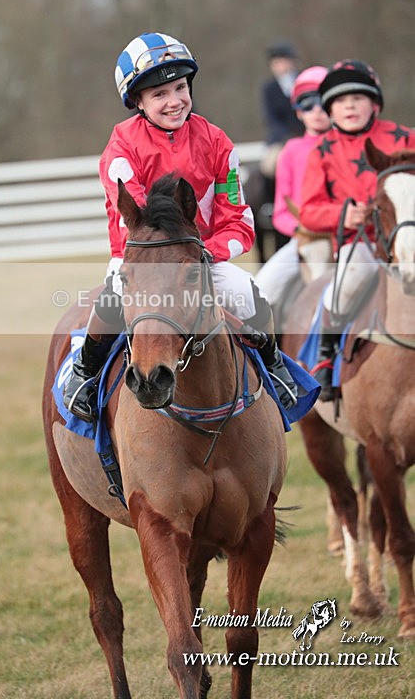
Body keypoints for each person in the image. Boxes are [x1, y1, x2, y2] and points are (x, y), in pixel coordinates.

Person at [63, 31, 297, 422]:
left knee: (249, 293)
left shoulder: (218, 143)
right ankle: (84, 374)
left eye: (179, 87)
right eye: (159, 94)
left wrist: (205, 253)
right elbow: (134, 217)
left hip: (200, 257)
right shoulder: (121, 146)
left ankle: (274, 366)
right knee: (112, 298)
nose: (174, 101)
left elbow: (238, 220)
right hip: (141, 259)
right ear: (137, 101)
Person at [299, 59, 415, 400]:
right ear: (330, 111)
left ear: (375, 103)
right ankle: (325, 360)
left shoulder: (405, 137)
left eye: (358, 98)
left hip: (408, 235)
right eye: (340, 100)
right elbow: (308, 210)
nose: (350, 105)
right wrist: (343, 214)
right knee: (344, 287)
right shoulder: (321, 150)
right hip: (361, 242)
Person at [255, 66, 331, 306]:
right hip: (303, 239)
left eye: (323, 103)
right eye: (308, 104)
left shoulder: (345, 147)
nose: (317, 111)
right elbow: (281, 212)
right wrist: (301, 228)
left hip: (345, 238)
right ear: (298, 112)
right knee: (261, 290)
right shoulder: (290, 151)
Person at [254, 40, 305, 260]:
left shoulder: (301, 82)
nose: (281, 65)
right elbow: (271, 118)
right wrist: (285, 137)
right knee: (270, 165)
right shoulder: (269, 88)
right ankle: (270, 206)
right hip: (280, 139)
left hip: (304, 136)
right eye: (276, 62)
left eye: (283, 61)